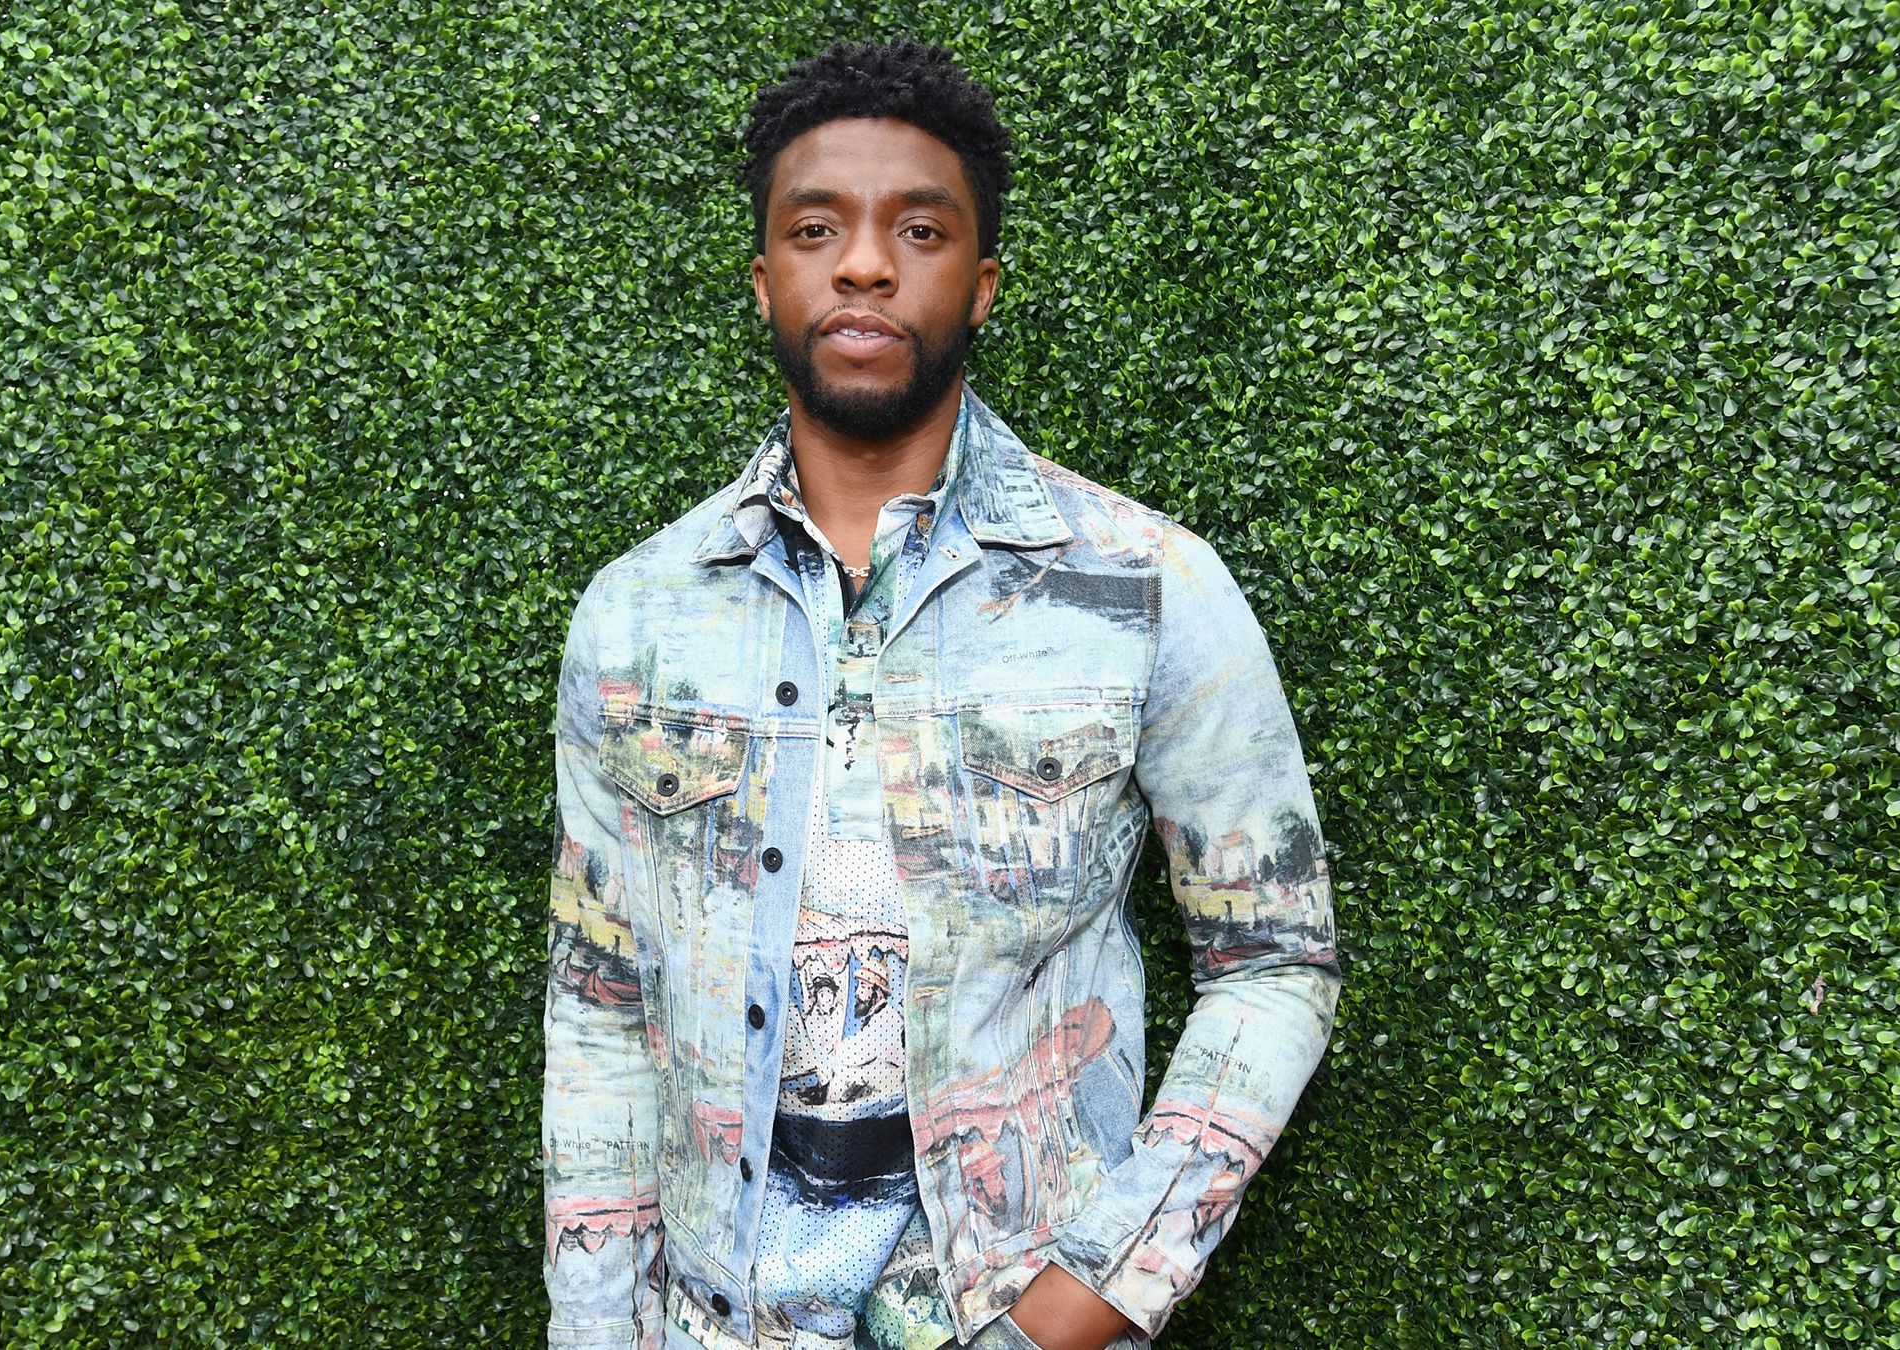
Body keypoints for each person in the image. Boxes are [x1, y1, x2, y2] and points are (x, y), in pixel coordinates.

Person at [541, 39, 1344, 1350]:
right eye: (816, 228)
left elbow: (1276, 961)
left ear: (981, 284)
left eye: (918, 229)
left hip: (1004, 1310)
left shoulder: (1146, 587)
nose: (864, 263)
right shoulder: (637, 612)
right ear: (764, 278)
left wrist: (1092, 1296)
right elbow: (599, 1000)